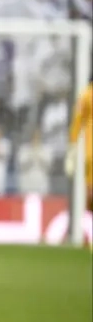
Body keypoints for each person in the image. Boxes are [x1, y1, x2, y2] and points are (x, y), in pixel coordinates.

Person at [66, 77, 92, 219]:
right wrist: (72, 147)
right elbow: (77, 120)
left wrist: (72, 146)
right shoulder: (87, 95)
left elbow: (77, 121)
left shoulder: (86, 94)